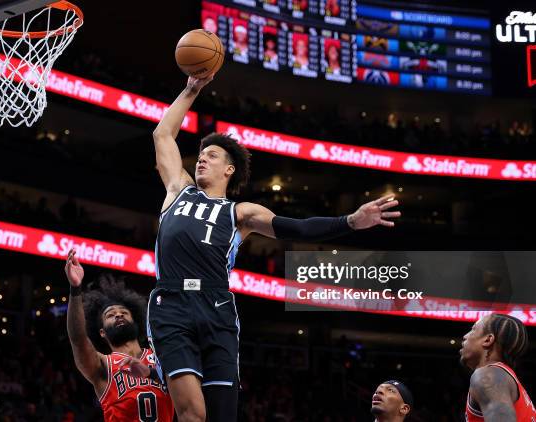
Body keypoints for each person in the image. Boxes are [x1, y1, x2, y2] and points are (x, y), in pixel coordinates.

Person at [149, 74, 401, 422]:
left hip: (217, 306)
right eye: (201, 155)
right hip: (172, 303)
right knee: (193, 414)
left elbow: (296, 227)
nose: (202, 160)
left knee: (222, 416)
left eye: (212, 155)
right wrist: (191, 90)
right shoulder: (178, 188)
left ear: (229, 169)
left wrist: (351, 221)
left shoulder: (241, 213)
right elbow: (163, 134)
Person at [65, 248, 174, 422]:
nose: (118, 315)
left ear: (137, 323)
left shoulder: (160, 357)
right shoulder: (103, 365)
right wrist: (75, 289)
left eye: (124, 312)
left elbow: (186, 387)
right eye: (110, 315)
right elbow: (78, 339)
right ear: (102, 332)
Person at [460, 313, 535, 421]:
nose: (465, 336)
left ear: (488, 340)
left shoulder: (488, 376)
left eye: (473, 329)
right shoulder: (502, 377)